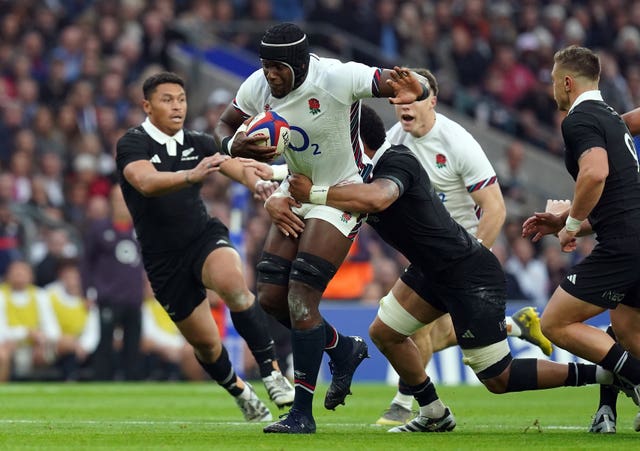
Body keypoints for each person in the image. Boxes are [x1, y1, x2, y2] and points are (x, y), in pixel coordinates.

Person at [287, 104, 617, 433]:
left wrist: (316, 193)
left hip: (466, 272)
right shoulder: (359, 174)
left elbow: (376, 199)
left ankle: (603, 374)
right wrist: (275, 188)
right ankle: (433, 411)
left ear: (358, 143)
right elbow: (313, 181)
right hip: (429, 270)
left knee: (498, 378)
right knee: (384, 333)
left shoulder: (397, 161)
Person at [214, 22, 429, 434]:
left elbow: (395, 83)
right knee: (272, 298)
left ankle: (302, 414)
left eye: (277, 66)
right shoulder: (258, 85)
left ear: (298, 62)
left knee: (300, 297)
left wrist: (412, 85)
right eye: (264, 65)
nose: (269, 74)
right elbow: (224, 128)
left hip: (340, 194)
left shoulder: (336, 77)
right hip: (296, 190)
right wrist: (232, 147)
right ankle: (342, 348)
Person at [376, 68, 552, 425]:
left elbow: (496, 208)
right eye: (400, 101)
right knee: (428, 331)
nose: (405, 107)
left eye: (414, 100)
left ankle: (405, 402)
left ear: (433, 102)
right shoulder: (394, 141)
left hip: (463, 255)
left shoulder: (458, 142)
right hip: (429, 255)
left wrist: (469, 256)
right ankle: (514, 327)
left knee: (418, 330)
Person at [115, 71, 294, 422]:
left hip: (202, 236)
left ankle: (272, 373)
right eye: (167, 99)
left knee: (235, 287)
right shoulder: (133, 143)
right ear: (147, 106)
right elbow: (145, 182)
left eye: (181, 99)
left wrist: (256, 183)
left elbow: (233, 165)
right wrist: (190, 176)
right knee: (207, 344)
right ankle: (239, 390)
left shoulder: (198, 141)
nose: (177, 106)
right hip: (163, 259)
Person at [521, 46, 640, 434]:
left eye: (554, 82)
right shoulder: (611, 118)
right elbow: (615, 198)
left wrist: (571, 226)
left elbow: (594, 174)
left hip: (623, 244)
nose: (552, 89)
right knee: (627, 330)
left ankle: (635, 379)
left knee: (555, 322)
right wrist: (562, 221)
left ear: (567, 83)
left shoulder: (578, 119)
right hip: (633, 235)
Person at [81, 184, 145, 381]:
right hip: (108, 297)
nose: (121, 203)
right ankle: (102, 380)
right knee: (105, 342)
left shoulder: (142, 229)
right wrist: (86, 292)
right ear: (111, 202)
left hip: (134, 297)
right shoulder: (99, 229)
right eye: (117, 198)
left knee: (133, 343)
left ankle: (132, 382)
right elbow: (86, 262)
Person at [0, 260, 60, 381]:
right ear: (7, 275)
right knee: (3, 353)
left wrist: (40, 340)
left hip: (36, 346)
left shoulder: (40, 295)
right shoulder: (1, 295)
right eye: (16, 273)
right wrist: (27, 333)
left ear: (31, 276)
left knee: (62, 344)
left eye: (23, 273)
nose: (19, 276)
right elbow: (2, 332)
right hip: (9, 345)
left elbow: (53, 330)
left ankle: (68, 380)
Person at [46, 258, 99, 381]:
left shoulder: (90, 296)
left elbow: (93, 327)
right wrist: (66, 341)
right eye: (68, 275)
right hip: (57, 343)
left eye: (75, 275)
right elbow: (49, 323)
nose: (72, 280)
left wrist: (84, 346)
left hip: (82, 346)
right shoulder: (49, 293)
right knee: (67, 350)